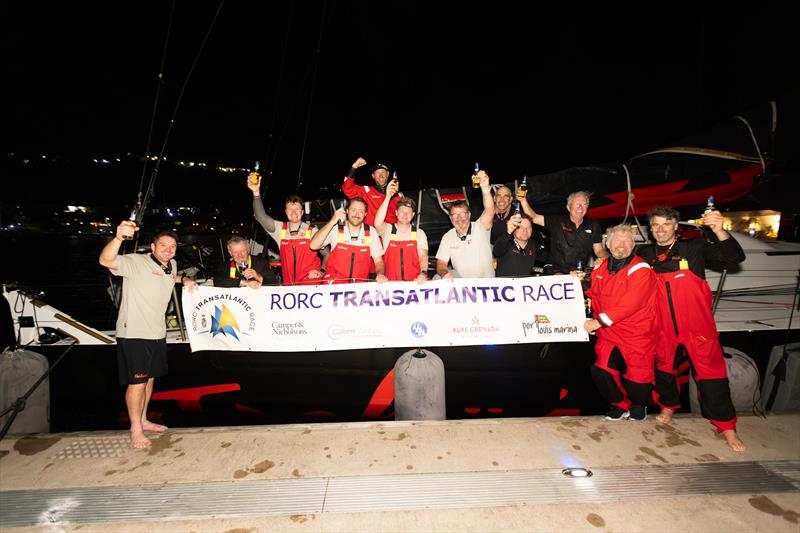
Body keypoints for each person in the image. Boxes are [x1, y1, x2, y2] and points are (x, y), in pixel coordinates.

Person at [637, 206, 747, 452]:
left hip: (696, 324)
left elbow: (734, 258)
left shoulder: (693, 248)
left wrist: (720, 231)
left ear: (676, 226)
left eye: (666, 224)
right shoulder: (644, 254)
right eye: (655, 225)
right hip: (662, 325)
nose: (660, 229)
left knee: (711, 373)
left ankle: (727, 426)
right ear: (650, 228)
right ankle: (668, 406)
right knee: (663, 367)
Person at [99, 222, 198, 448]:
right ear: (152, 247)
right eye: (163, 245)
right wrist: (118, 239)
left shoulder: (171, 265)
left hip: (156, 332)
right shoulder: (136, 262)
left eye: (172, 246)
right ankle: (135, 429)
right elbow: (106, 261)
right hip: (134, 332)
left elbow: (169, 277)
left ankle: (144, 419)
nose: (168, 249)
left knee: (150, 379)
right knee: (137, 383)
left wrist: (185, 279)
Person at [583, 224, 657, 422]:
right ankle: (619, 405)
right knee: (601, 371)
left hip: (636, 332)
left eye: (626, 241)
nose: (621, 245)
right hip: (610, 332)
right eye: (617, 241)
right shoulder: (602, 267)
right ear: (608, 244)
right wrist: (578, 282)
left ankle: (638, 405)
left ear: (633, 245)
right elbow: (594, 291)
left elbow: (631, 304)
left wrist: (597, 322)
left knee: (638, 377)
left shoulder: (641, 269)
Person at [247, 174, 323, 285]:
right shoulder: (279, 229)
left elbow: (327, 254)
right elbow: (260, 217)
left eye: (297, 209)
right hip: (289, 287)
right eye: (290, 209)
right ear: (286, 212)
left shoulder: (312, 231)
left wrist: (321, 271)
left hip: (311, 286)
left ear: (302, 212)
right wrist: (256, 193)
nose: (293, 213)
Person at [526, 190, 608, 274]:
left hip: (579, 272)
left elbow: (599, 250)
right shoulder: (557, 222)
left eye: (584, 204)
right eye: (577, 204)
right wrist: (522, 200)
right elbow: (534, 217)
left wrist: (606, 258)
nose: (580, 208)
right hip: (555, 269)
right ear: (568, 207)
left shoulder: (593, 225)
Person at [310, 197, 388, 284]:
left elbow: (379, 261)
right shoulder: (336, 229)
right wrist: (331, 222)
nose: (357, 214)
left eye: (361, 211)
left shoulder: (371, 232)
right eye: (353, 210)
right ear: (347, 211)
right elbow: (313, 246)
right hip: (333, 286)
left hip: (359, 287)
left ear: (365, 214)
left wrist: (380, 274)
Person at [435, 171, 495, 279]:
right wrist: (445, 273)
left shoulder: (480, 227)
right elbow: (441, 263)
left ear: (469, 215)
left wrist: (485, 188)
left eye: (462, 214)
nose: (459, 218)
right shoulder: (448, 237)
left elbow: (490, 210)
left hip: (486, 287)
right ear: (450, 218)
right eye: (455, 215)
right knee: (437, 278)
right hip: (462, 289)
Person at [374, 179, 429, 283]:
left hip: (416, 283)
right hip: (391, 285)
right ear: (396, 213)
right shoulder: (388, 230)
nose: (405, 215)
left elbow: (423, 256)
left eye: (408, 212)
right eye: (402, 212)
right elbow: (377, 223)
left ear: (413, 215)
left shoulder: (419, 233)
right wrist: (388, 197)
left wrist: (423, 273)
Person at [342, 157, 403, 227]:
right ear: (373, 176)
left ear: (388, 174)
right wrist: (354, 167)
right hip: (371, 235)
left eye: (383, 172)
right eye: (377, 173)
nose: (381, 175)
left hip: (391, 235)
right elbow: (347, 188)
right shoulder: (366, 191)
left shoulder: (399, 196)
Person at [214, 235, 278, 288]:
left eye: (243, 251)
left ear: (248, 250)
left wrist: (259, 277)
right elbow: (217, 281)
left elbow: (275, 284)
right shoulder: (226, 265)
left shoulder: (261, 263)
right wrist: (245, 283)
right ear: (230, 253)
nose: (240, 255)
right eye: (235, 252)